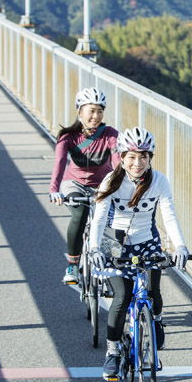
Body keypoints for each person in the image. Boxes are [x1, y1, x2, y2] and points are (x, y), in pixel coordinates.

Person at [87, 127, 190, 380]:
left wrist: (180, 246)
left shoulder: (159, 181)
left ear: (150, 158)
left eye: (143, 156)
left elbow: (169, 215)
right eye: (132, 156)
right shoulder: (111, 181)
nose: (138, 163)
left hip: (147, 240)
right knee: (121, 296)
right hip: (115, 241)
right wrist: (94, 248)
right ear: (122, 157)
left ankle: (156, 319)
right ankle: (112, 352)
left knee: (153, 291)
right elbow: (100, 218)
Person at [48, 87, 120, 284]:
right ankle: (72, 264)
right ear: (80, 112)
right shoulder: (68, 136)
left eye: (100, 111)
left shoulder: (110, 134)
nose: (96, 116)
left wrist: (122, 186)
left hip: (101, 184)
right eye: (91, 111)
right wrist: (54, 190)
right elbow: (60, 164)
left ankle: (110, 261)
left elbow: (118, 163)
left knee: (110, 219)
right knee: (79, 214)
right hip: (74, 183)